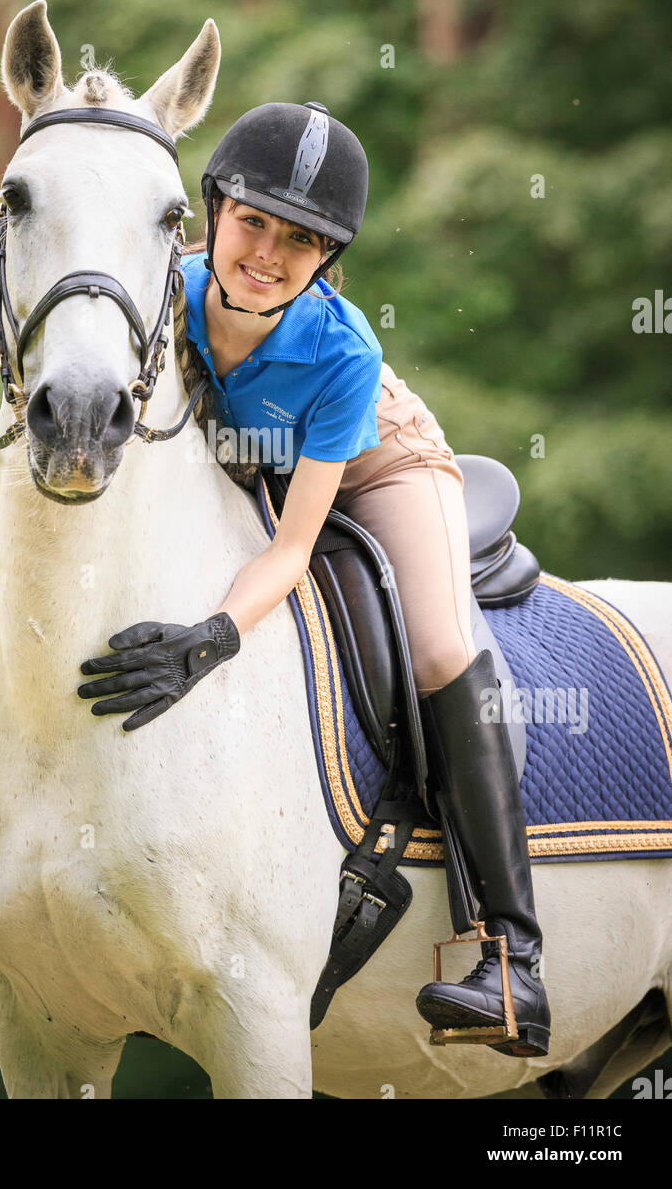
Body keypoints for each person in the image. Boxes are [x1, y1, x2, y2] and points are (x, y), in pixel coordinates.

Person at [78, 102, 551, 1058]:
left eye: (303, 241)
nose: (267, 254)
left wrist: (206, 642)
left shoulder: (343, 354)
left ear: (329, 258)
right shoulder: (162, 291)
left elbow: (293, 553)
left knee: (440, 641)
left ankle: (513, 957)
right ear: (213, 211)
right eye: (253, 222)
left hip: (379, 463)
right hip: (251, 465)